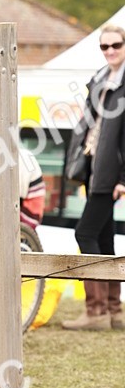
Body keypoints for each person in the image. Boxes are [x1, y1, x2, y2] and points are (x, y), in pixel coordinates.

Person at [62, 24, 125, 331]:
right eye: (105, 46)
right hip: (93, 166)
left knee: (84, 233)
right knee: (103, 235)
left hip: (110, 173)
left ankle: (97, 310)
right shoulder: (99, 80)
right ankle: (114, 309)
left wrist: (123, 179)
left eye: (116, 45)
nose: (110, 51)